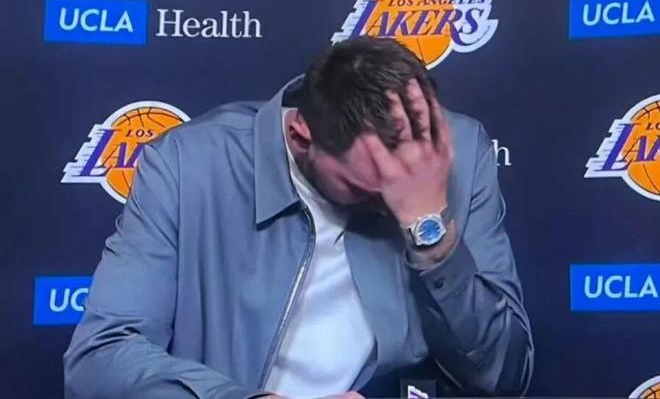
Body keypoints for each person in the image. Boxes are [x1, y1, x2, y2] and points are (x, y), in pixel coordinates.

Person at [63, 36, 533, 399]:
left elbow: (503, 377)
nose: (394, 198)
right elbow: (101, 358)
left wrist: (430, 230)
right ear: (300, 135)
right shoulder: (190, 165)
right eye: (368, 187)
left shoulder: (459, 155)